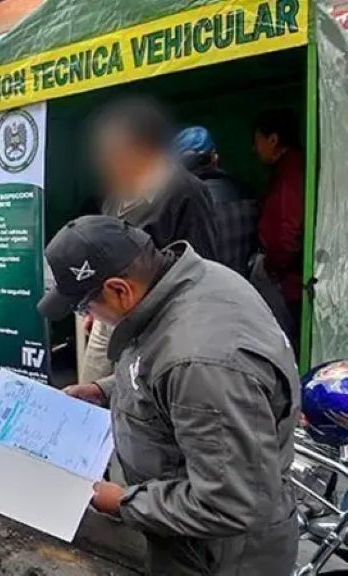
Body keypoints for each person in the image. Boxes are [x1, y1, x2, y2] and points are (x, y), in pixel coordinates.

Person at [40, 215, 300, 576]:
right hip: (192, 538)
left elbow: (232, 502)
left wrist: (123, 503)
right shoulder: (193, 281)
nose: (87, 317)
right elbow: (158, 367)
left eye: (85, 306)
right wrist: (105, 390)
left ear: (119, 290)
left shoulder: (201, 362)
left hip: (220, 557)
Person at [81, 97, 218, 384]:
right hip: (110, 311)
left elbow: (201, 265)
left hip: (156, 317)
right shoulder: (115, 196)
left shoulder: (186, 191)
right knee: (91, 389)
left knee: (140, 391)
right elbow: (104, 253)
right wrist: (95, 306)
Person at [173, 126, 258, 277]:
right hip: (246, 288)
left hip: (209, 291)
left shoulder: (187, 204)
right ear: (214, 158)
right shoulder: (247, 192)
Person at [253, 108, 305, 342]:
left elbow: (288, 231)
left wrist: (272, 266)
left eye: (258, 141)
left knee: (284, 340)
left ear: (273, 140)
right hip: (287, 276)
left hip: (287, 281)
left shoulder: (290, 173)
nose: (254, 149)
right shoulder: (289, 169)